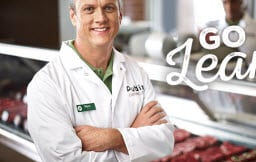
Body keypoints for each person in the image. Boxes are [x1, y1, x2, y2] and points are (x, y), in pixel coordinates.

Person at [26, 0, 174, 161]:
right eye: (89, 9)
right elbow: (66, 159)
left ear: (120, 15)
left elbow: (165, 141)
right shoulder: (46, 84)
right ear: (73, 16)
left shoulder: (136, 71)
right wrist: (133, 140)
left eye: (108, 8)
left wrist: (111, 138)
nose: (101, 18)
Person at [200, 0, 256, 72]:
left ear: (241, 2)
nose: (229, 7)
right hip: (220, 81)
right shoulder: (212, 28)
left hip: (249, 80)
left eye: (233, 2)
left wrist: (246, 65)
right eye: (225, 2)